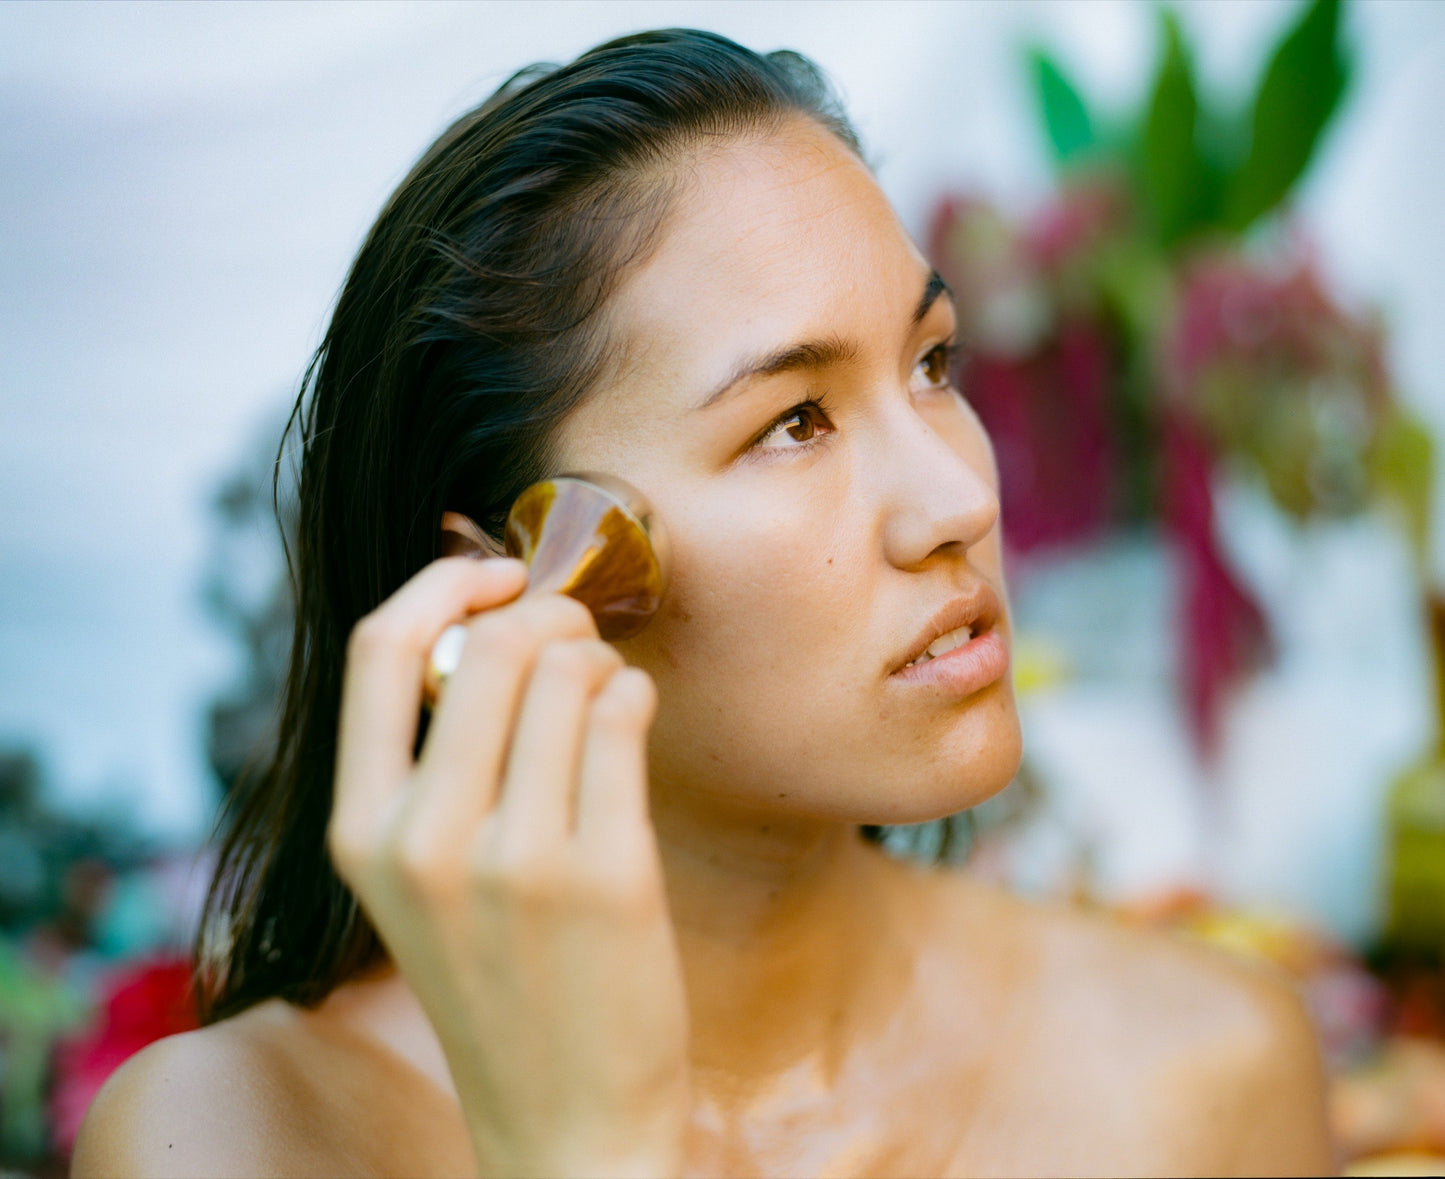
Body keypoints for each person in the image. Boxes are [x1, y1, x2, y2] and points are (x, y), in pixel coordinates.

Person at [72, 29, 1333, 1178]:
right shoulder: (234, 1141)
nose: (955, 497)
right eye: (792, 423)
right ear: (500, 583)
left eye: (932, 361)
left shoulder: (1198, 1082)